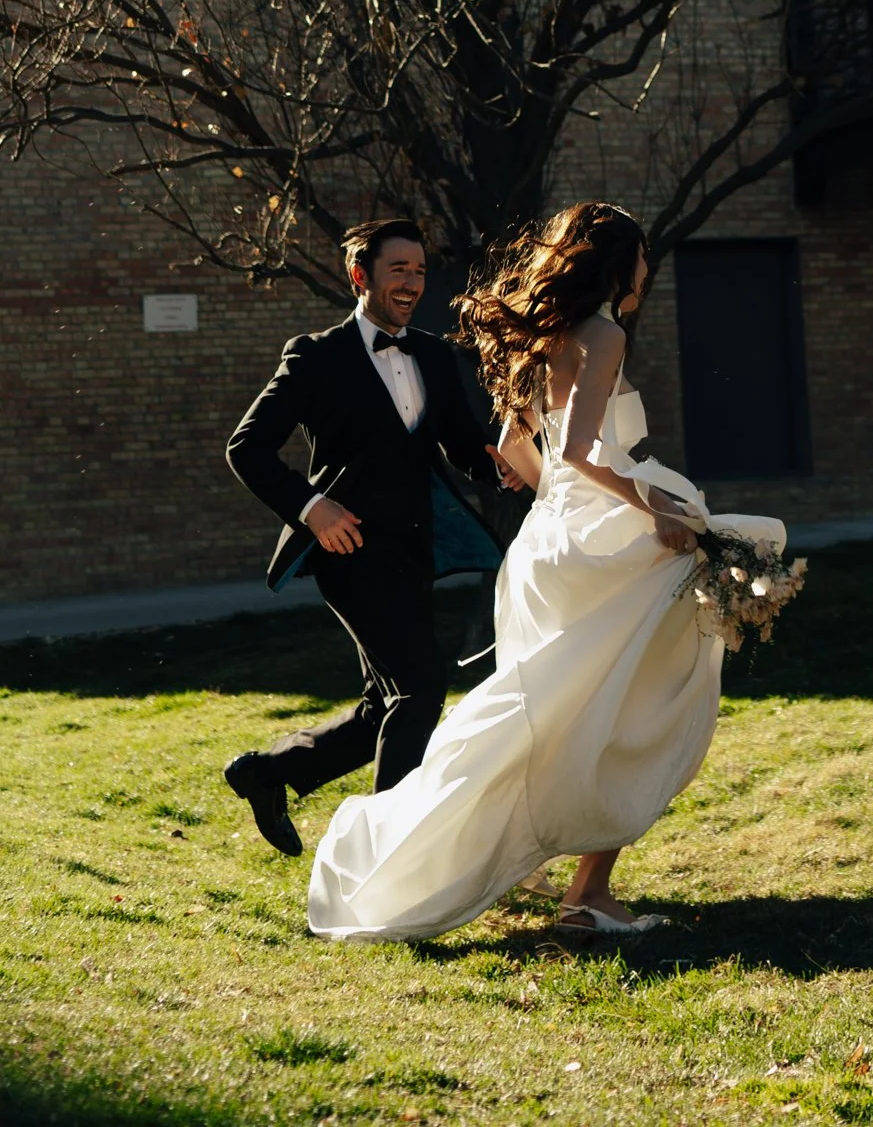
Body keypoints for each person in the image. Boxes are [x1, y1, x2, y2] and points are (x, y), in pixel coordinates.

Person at [307, 200, 786, 940]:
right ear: (618, 263)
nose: (647, 270)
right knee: (636, 711)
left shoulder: (546, 337)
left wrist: (567, 509)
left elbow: (517, 449)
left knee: (563, 715)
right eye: (642, 256)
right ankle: (587, 892)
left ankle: (571, 884)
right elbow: (581, 454)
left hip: (550, 546)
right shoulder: (603, 333)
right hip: (609, 550)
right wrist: (648, 505)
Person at [223, 217, 520, 857]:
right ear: (362, 276)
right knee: (419, 689)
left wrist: (498, 463)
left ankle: (271, 773)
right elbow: (246, 447)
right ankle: (389, 857)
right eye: (398, 270)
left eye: (419, 271)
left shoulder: (435, 356)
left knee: (384, 703)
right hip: (348, 554)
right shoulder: (316, 356)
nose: (413, 282)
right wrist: (311, 508)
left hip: (413, 552)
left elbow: (462, 443)